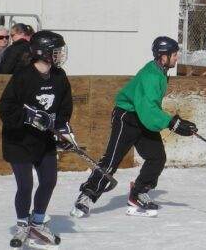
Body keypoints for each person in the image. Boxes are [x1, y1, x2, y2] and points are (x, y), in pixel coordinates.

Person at [72, 36, 198, 218]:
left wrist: (175, 124)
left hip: (143, 118)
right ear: (164, 56)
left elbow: (149, 109)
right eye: (174, 54)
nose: (176, 58)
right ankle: (87, 196)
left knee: (157, 157)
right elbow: (148, 109)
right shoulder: (151, 76)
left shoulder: (160, 72)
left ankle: (138, 193)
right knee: (111, 160)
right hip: (127, 117)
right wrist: (173, 123)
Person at [0, 30, 73, 248]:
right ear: (43, 53)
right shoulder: (23, 76)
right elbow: (6, 108)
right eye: (56, 51)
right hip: (19, 140)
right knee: (26, 184)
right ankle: (23, 224)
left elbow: (65, 108)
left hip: (44, 140)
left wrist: (63, 130)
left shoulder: (60, 76)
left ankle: (37, 222)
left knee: (49, 181)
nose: (60, 54)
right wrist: (29, 117)